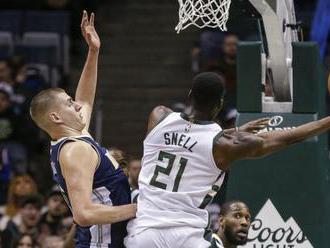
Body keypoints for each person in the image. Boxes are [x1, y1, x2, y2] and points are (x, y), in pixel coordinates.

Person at [125, 72, 330, 247]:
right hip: (186, 237)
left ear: (189, 95)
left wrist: (233, 132)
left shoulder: (159, 116)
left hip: (145, 232)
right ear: (220, 104)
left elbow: (187, 139)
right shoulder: (223, 146)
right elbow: (288, 138)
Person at [29, 11, 136, 247]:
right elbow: (84, 214)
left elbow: (86, 100)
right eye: (69, 103)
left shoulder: (74, 138)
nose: (76, 104)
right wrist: (139, 209)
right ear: (56, 117)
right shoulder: (75, 151)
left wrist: (93, 52)